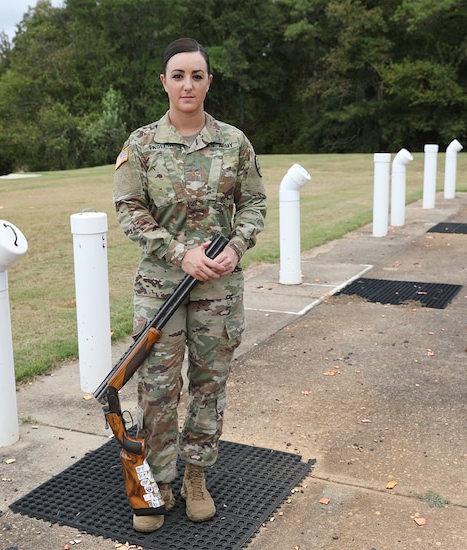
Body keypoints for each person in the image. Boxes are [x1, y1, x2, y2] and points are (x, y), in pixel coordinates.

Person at [112, 37, 267, 533]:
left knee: (208, 384)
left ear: (208, 82)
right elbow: (130, 212)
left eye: (197, 75)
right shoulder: (140, 144)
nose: (187, 84)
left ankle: (196, 476)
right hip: (161, 287)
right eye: (178, 75)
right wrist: (182, 253)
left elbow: (254, 204)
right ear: (164, 82)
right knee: (157, 388)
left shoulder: (234, 142)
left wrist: (237, 247)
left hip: (220, 288)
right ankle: (157, 482)